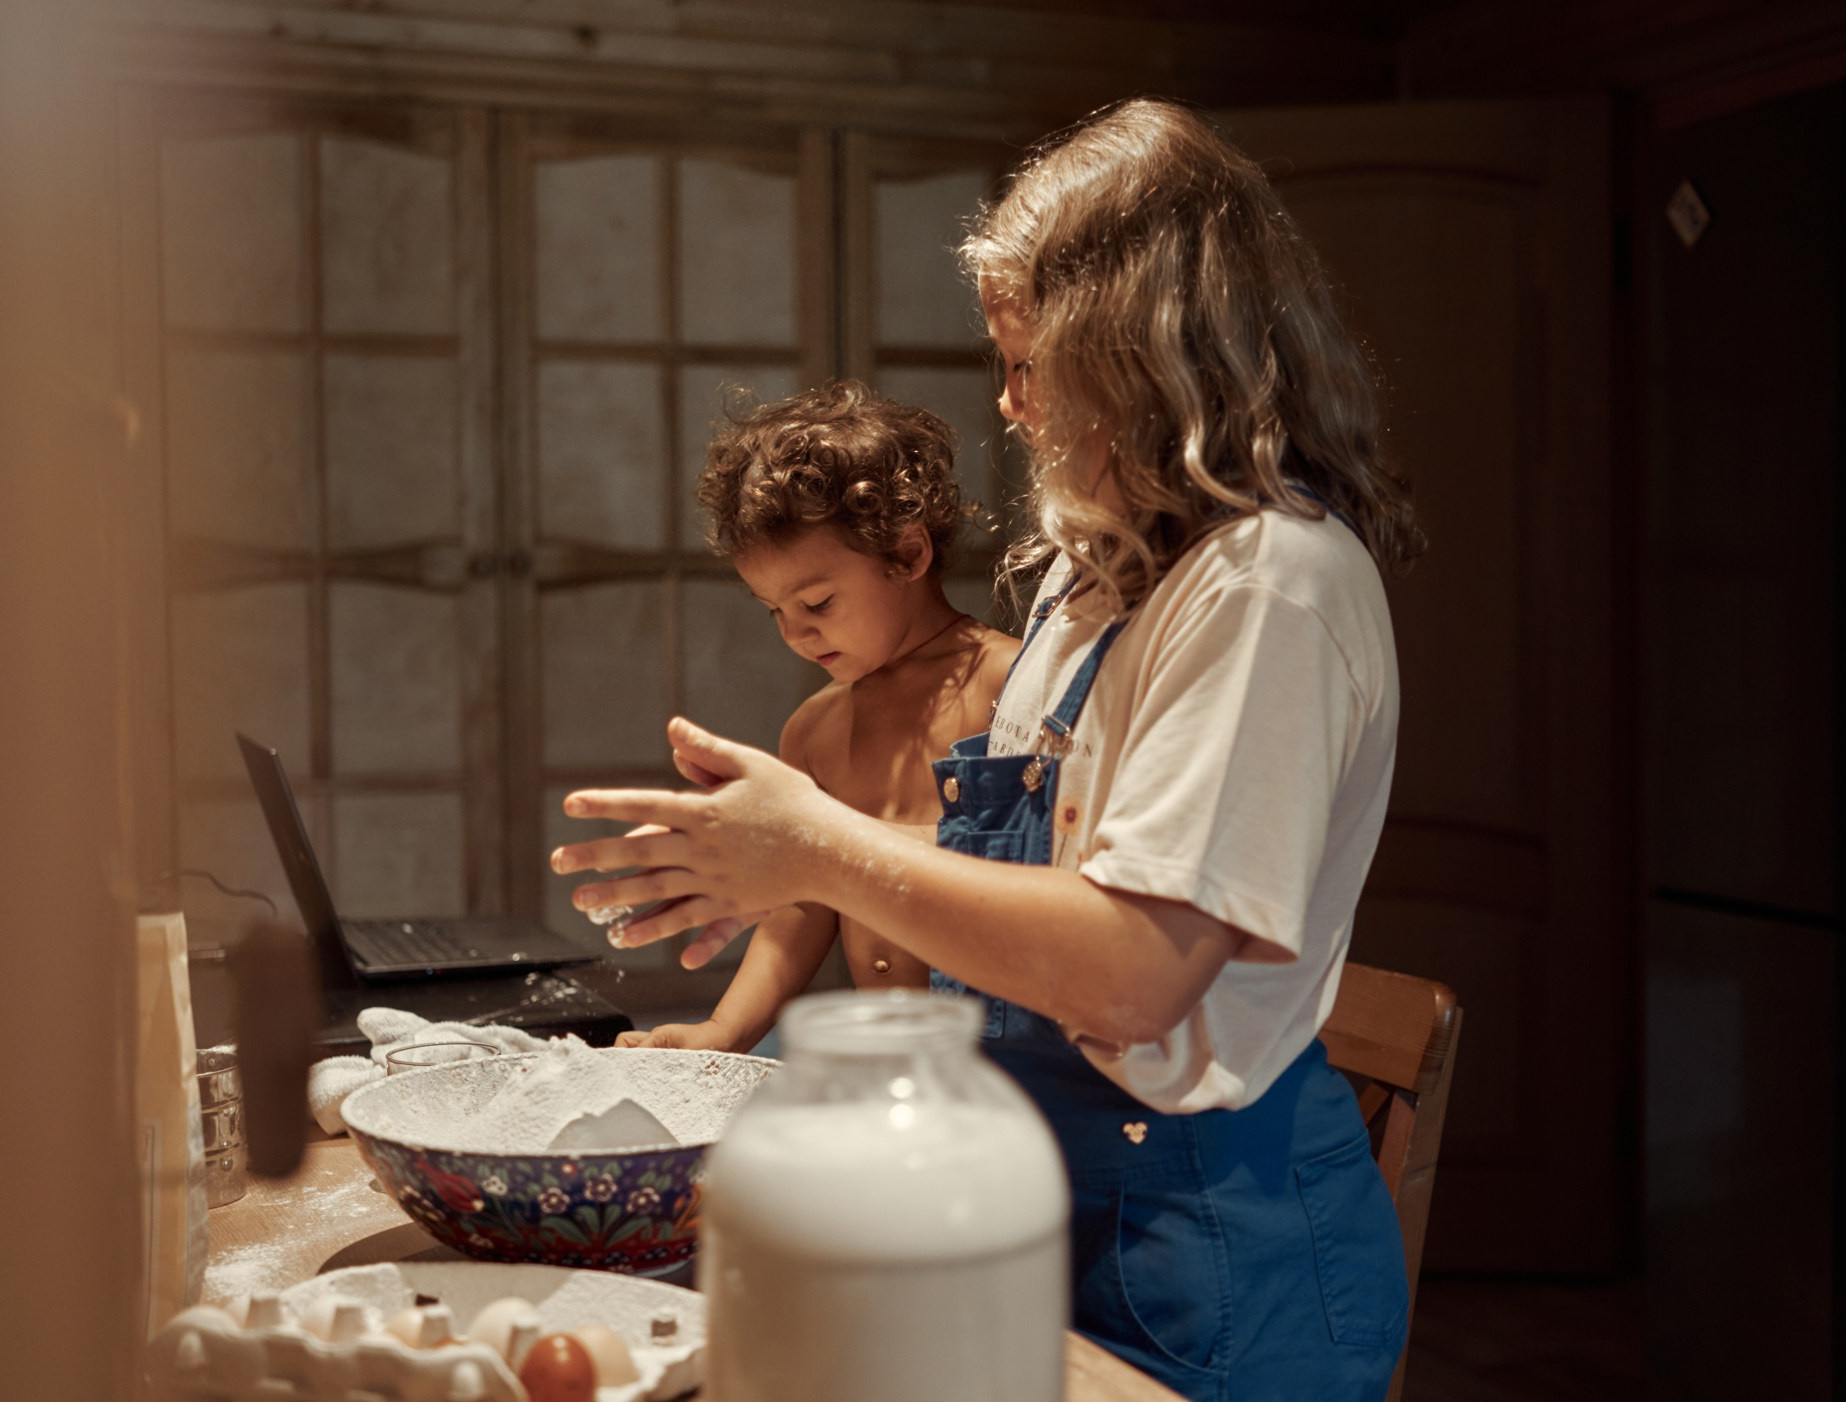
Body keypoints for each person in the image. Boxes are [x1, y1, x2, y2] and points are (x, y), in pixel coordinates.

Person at [555, 99, 1425, 1401]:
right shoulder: (1093, 585)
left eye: (1033, 363)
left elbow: (1134, 971)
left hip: (1210, 1266)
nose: (1009, 402)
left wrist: (809, 843)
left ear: (1143, 353)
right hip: (1056, 1197)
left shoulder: (1267, 588)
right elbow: (1000, 904)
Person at [613, 380, 1017, 1054]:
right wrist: (725, 1030)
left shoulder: (1006, 684)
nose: (795, 633)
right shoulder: (815, 729)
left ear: (908, 555)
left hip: (1005, 1056)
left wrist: (819, 846)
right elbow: (800, 907)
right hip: (894, 1060)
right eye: (774, 610)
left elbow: (1030, 868)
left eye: (818, 602)